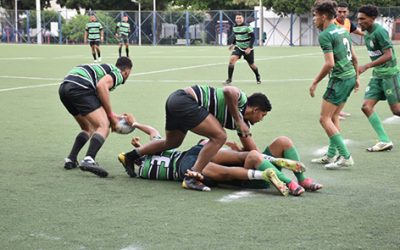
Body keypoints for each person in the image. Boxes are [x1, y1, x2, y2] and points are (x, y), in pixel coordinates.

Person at [121, 85, 271, 190]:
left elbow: (253, 151)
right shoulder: (242, 101)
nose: (261, 119)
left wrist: (266, 162)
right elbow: (228, 90)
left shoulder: (243, 126)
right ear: (256, 109)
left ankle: (130, 156)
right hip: (185, 100)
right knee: (220, 136)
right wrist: (238, 120)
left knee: (172, 142)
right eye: (262, 115)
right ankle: (192, 177)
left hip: (174, 100)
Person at [118, 122, 312, 196]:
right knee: (245, 155)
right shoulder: (154, 152)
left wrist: (137, 151)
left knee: (228, 172)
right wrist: (135, 125)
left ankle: (267, 173)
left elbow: (132, 158)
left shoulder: (143, 171)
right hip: (192, 153)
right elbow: (153, 132)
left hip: (185, 167)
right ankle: (275, 165)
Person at [59, 57, 133, 177]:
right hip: (81, 87)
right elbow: (101, 86)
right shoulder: (118, 74)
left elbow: (97, 102)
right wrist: (111, 118)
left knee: (87, 127)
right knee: (104, 125)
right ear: (127, 71)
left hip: (64, 88)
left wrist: (114, 115)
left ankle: (71, 159)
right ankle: (89, 159)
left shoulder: (103, 70)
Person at [309, 1, 359, 169]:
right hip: (350, 76)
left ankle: (345, 156)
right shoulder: (343, 31)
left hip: (339, 79)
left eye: (315, 16)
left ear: (323, 16)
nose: (314, 19)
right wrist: (356, 77)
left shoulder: (325, 35)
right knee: (334, 116)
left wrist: (315, 82)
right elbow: (354, 57)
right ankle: (331, 155)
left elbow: (329, 63)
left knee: (324, 118)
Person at [357, 5, 399, 152]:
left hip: (389, 74)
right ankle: (385, 140)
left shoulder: (380, 31)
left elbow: (389, 55)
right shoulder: (367, 33)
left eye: (363, 19)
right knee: (366, 107)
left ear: (372, 18)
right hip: (378, 75)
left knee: (397, 110)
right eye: (358, 19)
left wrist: (367, 66)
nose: (359, 22)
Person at [334, 1, 364, 120]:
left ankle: (339, 110)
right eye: (339, 11)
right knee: (338, 83)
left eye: (344, 12)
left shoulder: (347, 22)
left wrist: (368, 35)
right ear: (336, 11)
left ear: (348, 12)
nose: (342, 14)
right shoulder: (333, 23)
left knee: (349, 83)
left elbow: (357, 31)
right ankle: (333, 112)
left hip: (347, 56)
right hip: (338, 58)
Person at [225, 12, 261, 85]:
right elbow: (236, 36)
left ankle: (257, 75)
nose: (238, 19)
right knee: (232, 60)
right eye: (237, 18)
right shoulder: (234, 27)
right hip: (238, 47)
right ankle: (229, 80)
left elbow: (253, 37)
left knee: (251, 64)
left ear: (243, 18)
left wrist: (249, 47)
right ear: (235, 19)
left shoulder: (247, 26)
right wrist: (233, 44)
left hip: (247, 48)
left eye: (240, 18)